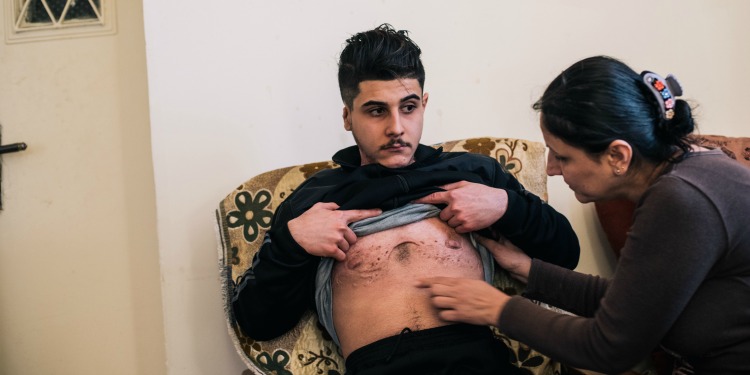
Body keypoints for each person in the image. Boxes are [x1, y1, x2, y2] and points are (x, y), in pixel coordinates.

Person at [231, 24, 580, 374]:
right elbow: (259, 323)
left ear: (424, 104)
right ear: (347, 116)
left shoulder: (473, 173)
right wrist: (292, 244)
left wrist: (506, 205)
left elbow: (565, 255)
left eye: (409, 107)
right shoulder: (313, 201)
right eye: (376, 110)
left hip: (478, 362)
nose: (396, 127)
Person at [418, 55, 750, 374]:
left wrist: (496, 308)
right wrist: (529, 270)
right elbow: (628, 304)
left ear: (617, 156)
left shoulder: (680, 200)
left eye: (562, 157)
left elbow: (608, 347)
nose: (550, 170)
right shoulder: (692, 169)